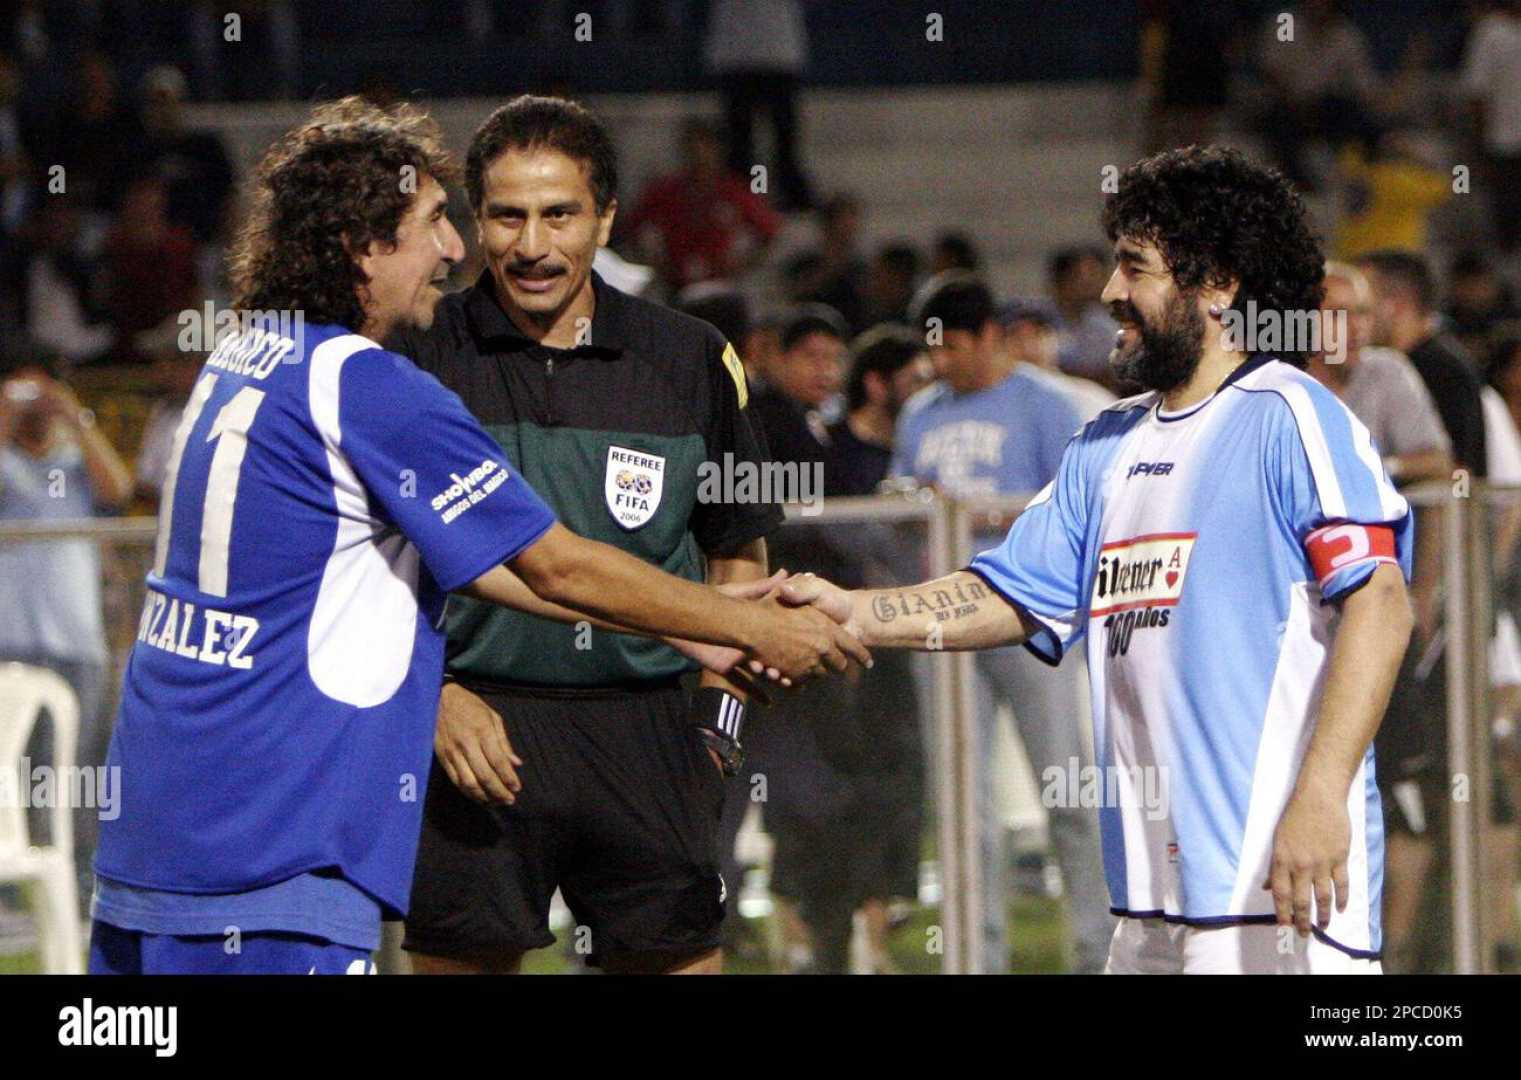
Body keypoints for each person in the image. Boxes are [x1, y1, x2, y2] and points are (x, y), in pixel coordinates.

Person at [86, 97, 865, 977]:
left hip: (158, 829)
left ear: (603, 216)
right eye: (436, 224)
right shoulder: (379, 383)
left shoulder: (244, 353)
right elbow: (554, 566)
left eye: (555, 213)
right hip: (277, 832)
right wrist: (755, 628)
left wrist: (705, 642)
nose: (457, 248)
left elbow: (514, 571)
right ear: (359, 244)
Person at [785, 146, 1414, 974]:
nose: (1111, 292)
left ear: (1218, 282)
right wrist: (857, 611)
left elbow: (1380, 603)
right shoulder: (1106, 443)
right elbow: (1009, 594)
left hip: (1271, 888)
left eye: (1134, 267)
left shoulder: (1291, 416)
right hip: (1149, 905)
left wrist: (1319, 800)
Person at [386, 95, 804, 978]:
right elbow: (364, 568)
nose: (531, 244)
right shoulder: (416, 356)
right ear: (475, 221)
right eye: (506, 215)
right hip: (476, 731)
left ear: (606, 217)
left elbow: (736, 553)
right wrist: (429, 702)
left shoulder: (689, 357)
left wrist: (713, 735)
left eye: (559, 214)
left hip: (651, 736)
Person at [892, 273, 1112, 974]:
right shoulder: (919, 413)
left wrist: (973, 511)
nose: (939, 363)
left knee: (1067, 787)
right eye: (932, 350)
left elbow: (1077, 507)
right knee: (961, 802)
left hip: (1028, 614)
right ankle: (974, 957)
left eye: (951, 346)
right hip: (942, 613)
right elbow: (899, 499)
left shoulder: (1045, 404)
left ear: (988, 336)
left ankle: (1097, 951)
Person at [0, 349, 133, 914]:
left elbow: (119, 490)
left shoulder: (72, 464)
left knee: (77, 769)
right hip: (9, 639)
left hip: (77, 641)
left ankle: (77, 877)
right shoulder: (5, 462)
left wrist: (74, 414)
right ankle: (10, 881)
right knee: (7, 767)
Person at [619, 116, 780, 291]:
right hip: (675, 285)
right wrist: (654, 264)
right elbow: (631, 226)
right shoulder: (665, 191)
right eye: (693, 148)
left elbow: (769, 231)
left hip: (720, 284)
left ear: (718, 151)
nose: (699, 155)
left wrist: (742, 265)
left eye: (706, 148)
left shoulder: (734, 191)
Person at [1459, 0, 1521, 255]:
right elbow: (1476, 92)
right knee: (1505, 215)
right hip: (1502, 138)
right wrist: (1479, 138)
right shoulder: (1490, 31)